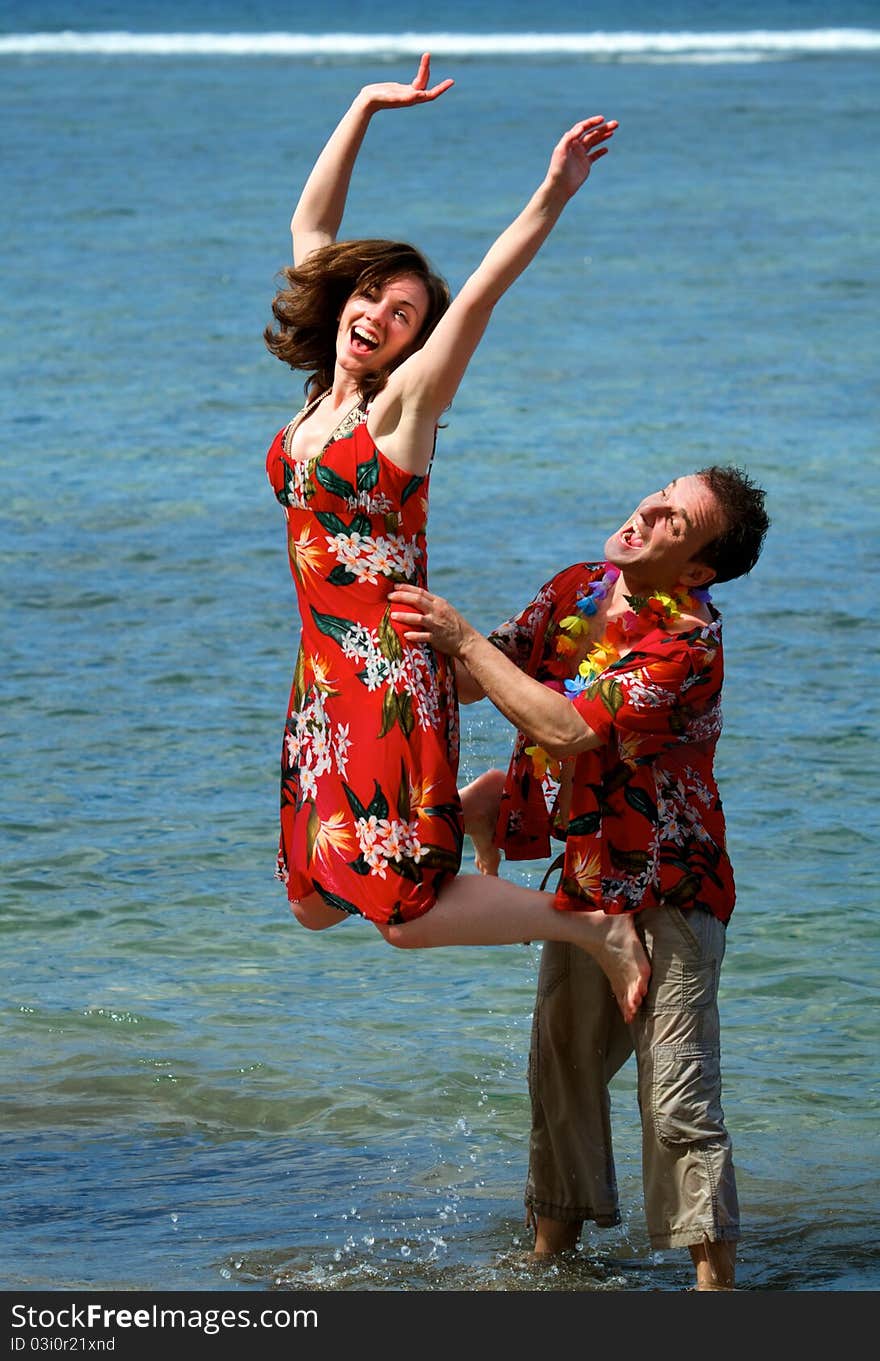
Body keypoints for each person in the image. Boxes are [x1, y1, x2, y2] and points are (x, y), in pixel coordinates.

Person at [262, 57, 650, 1020]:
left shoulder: (401, 413)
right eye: (371, 300)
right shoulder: (321, 394)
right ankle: (481, 806)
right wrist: (361, 107)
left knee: (401, 910)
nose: (376, 317)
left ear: (411, 347)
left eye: (401, 317)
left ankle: (586, 922)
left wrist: (551, 195)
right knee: (312, 898)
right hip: (322, 678)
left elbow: (477, 294)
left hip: (391, 674)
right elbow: (312, 234)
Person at [389, 464, 770, 1291]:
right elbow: (474, 676)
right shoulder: (576, 589)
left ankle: (716, 1290)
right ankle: (549, 1273)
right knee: (557, 1076)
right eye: (661, 492)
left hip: (674, 891)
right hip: (590, 879)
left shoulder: (689, 645)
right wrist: (381, 607)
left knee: (676, 1100)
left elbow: (565, 726)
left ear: (698, 569)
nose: (649, 507)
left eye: (675, 517)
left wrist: (460, 640)